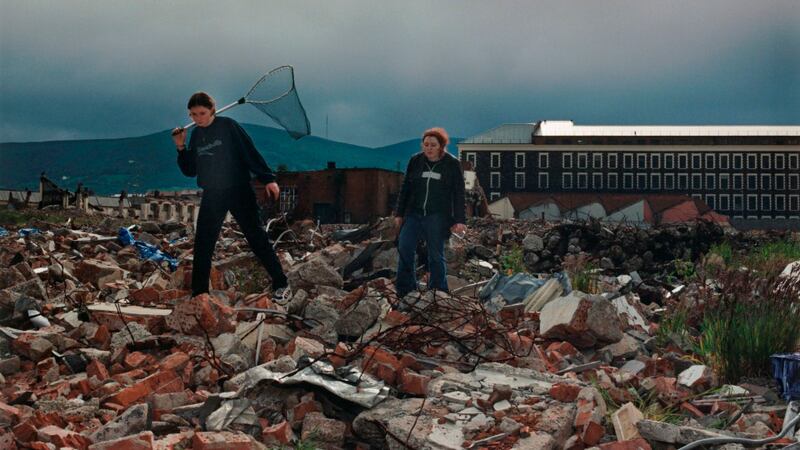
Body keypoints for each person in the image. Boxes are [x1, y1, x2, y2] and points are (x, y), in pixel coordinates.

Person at [171, 92, 291, 302]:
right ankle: (199, 294)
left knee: (256, 237)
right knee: (203, 243)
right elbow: (190, 170)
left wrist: (268, 178)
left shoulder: (228, 126)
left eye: (202, 113)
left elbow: (249, 151)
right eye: (193, 115)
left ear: (212, 111)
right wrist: (180, 146)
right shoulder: (197, 135)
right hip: (213, 193)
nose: (198, 118)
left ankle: (281, 283)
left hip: (238, 189)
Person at [394, 127, 466, 299]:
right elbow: (406, 188)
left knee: (435, 253)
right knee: (405, 247)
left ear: (441, 146)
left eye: (433, 145)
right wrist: (399, 213)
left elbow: (458, 193)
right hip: (414, 213)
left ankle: (438, 291)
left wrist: (460, 220)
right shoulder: (415, 161)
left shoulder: (451, 164)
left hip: (437, 216)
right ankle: (405, 290)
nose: (429, 148)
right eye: (426, 144)